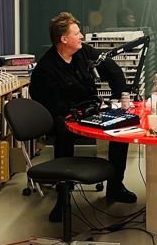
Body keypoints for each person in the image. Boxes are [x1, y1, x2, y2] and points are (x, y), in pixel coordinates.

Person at [29, 12, 137, 220]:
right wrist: (71, 116)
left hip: (90, 109)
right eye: (77, 33)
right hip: (64, 115)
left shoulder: (83, 52)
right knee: (63, 133)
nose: (81, 37)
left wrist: (120, 99)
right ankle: (63, 198)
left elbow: (113, 71)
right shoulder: (46, 68)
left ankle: (115, 186)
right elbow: (47, 104)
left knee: (120, 129)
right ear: (64, 39)